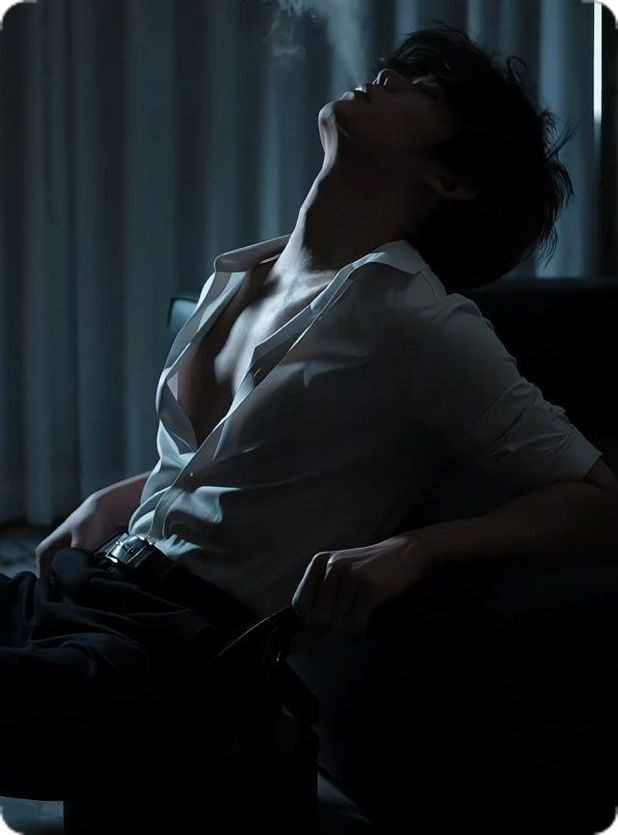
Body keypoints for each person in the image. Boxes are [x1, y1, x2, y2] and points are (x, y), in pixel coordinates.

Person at [5, 21, 618, 831]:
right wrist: (120, 495)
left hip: (179, 660)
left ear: (450, 179)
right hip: (96, 591)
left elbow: (599, 498)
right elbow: (241, 461)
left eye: (424, 87)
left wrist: (419, 548)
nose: (389, 76)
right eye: (397, 67)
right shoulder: (240, 272)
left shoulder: (419, 320)